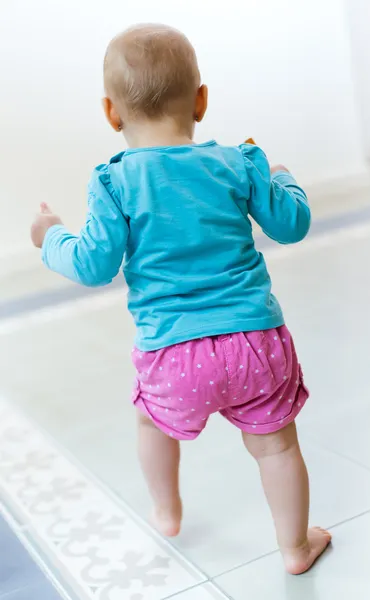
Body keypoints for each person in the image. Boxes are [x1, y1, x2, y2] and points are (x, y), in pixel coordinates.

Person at [31, 24, 331, 575]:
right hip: (254, 344)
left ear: (110, 112)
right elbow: (292, 225)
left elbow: (92, 264)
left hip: (173, 356)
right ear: (200, 100)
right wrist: (283, 179)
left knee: (152, 423)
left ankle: (167, 511)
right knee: (277, 448)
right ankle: (295, 547)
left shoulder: (115, 182)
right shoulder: (238, 163)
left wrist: (50, 235)